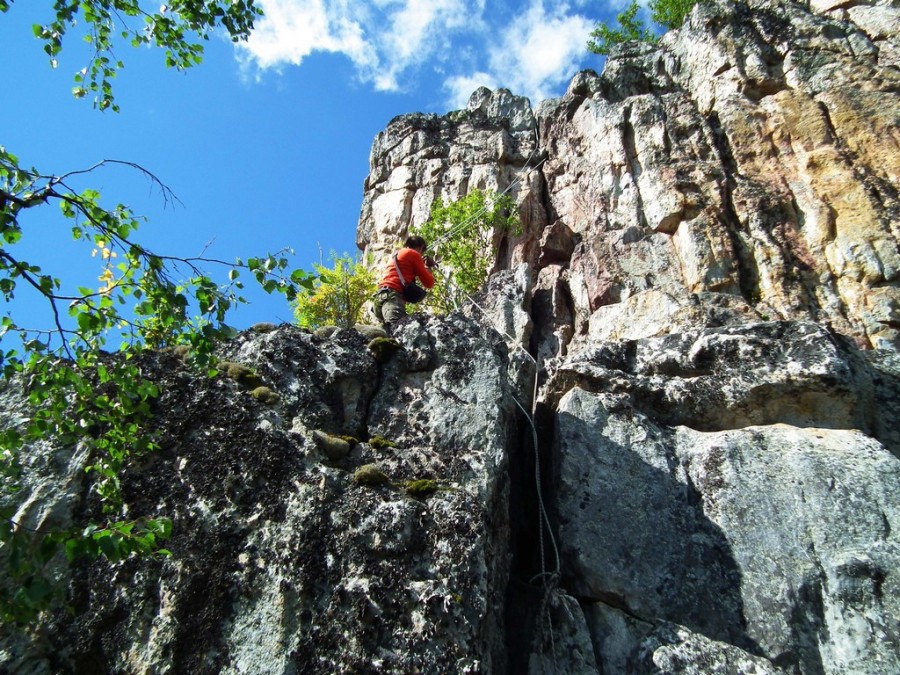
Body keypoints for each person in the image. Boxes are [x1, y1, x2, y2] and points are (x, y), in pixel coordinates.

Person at [374, 235, 437, 326]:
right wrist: (428, 268)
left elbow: (405, 269)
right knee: (397, 332)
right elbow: (429, 283)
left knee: (388, 333)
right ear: (421, 248)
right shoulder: (414, 254)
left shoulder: (396, 254)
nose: (421, 255)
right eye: (422, 253)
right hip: (393, 297)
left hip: (380, 297)